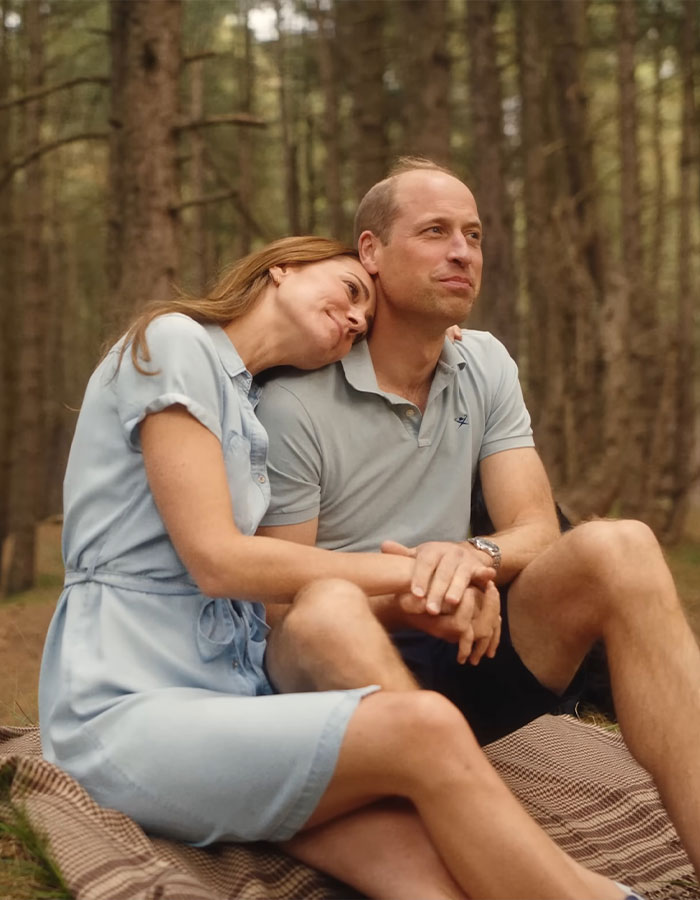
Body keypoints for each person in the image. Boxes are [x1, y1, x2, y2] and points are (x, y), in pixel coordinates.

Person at [38, 235, 640, 900]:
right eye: (350, 290)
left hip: (238, 704)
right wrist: (424, 573)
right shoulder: (178, 342)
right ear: (280, 268)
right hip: (129, 705)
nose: (357, 317)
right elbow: (218, 560)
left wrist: (432, 331)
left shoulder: (251, 405)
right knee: (425, 727)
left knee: (428, 871)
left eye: (366, 317)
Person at [256, 159, 700, 885]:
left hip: (468, 647)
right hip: (343, 688)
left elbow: (533, 525)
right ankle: (530, 870)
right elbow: (275, 608)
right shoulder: (296, 402)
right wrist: (417, 592)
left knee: (620, 544)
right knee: (321, 612)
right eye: (434, 232)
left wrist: (470, 558)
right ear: (371, 251)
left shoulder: (485, 361)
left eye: (474, 234)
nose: (463, 251)